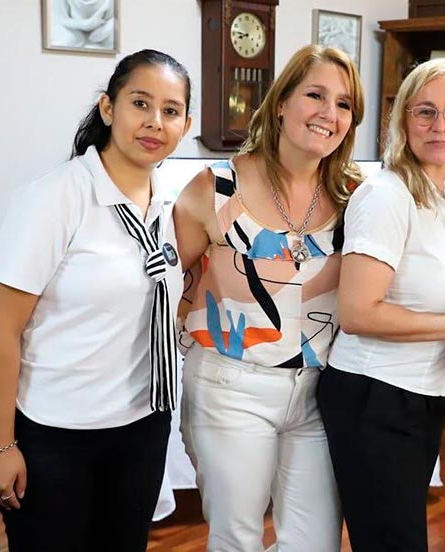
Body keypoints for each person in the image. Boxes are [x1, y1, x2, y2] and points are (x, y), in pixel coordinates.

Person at [0, 49, 192, 551]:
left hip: (142, 426)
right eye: (140, 103)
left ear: (185, 125)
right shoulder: (54, 198)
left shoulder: (170, 203)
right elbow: (0, 327)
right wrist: (0, 445)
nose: (155, 121)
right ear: (108, 108)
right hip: (56, 433)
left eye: (170, 110)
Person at [174, 45, 363, 552]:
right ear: (281, 102)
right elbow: (166, 287)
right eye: (315, 95)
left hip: (319, 392)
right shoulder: (216, 187)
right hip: (230, 387)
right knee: (237, 539)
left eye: (344, 104)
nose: (329, 113)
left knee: (315, 543)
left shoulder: (356, 197)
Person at [315, 58, 445, 552]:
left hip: (418, 396)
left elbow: (433, 307)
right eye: (425, 112)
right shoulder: (386, 194)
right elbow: (357, 312)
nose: (440, 125)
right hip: (375, 397)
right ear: (403, 119)